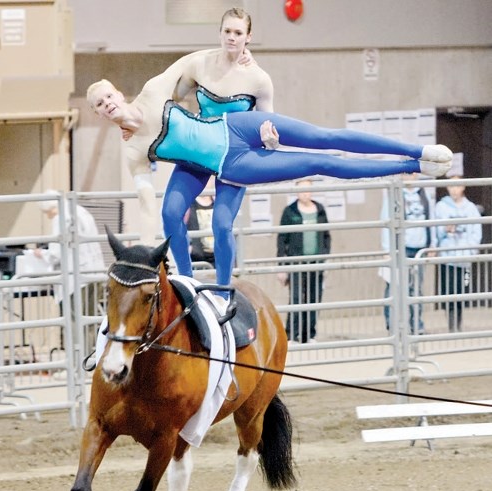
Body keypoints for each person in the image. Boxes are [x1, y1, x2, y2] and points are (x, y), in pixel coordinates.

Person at [87, 75, 453, 299]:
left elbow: (196, 62)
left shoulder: (153, 91)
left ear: (118, 93)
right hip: (227, 165)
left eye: (108, 97)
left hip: (238, 126)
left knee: (324, 138)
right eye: (100, 105)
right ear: (99, 113)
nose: (108, 105)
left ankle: (416, 151)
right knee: (316, 163)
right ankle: (191, 282)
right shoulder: (133, 148)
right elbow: (148, 200)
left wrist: (234, 50)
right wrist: (147, 245)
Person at [163, 8, 275, 292]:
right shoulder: (200, 64)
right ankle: (186, 281)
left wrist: (269, 140)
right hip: (199, 150)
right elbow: (171, 96)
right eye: (227, 31)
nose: (232, 38)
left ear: (248, 37)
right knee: (170, 213)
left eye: (238, 33)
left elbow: (271, 131)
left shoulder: (259, 79)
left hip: (234, 157)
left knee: (222, 224)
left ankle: (224, 289)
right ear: (220, 32)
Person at [35, 197, 105, 353]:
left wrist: (41, 254)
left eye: (47, 213)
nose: (48, 217)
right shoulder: (82, 212)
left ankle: (75, 365)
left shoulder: (60, 217)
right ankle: (88, 361)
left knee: (73, 321)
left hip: (75, 278)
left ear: (51, 208)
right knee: (90, 321)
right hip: (95, 272)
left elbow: (56, 253)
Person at [380, 172, 436, 334]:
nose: (409, 176)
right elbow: (386, 221)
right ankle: (393, 326)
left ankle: (416, 325)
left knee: (416, 289)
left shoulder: (425, 195)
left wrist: (432, 244)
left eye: (412, 173)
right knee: (394, 287)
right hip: (400, 249)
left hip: (420, 249)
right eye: (406, 173)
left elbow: (432, 220)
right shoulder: (393, 195)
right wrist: (386, 249)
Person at [277, 180, 331, 343]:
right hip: (296, 262)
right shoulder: (289, 211)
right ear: (296, 191)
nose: (305, 193)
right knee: (296, 298)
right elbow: (282, 239)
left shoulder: (320, 210)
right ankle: (291, 334)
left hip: (316, 262)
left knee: (314, 298)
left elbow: (326, 236)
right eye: (301, 190)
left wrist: (324, 256)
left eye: (308, 190)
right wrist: (282, 266)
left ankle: (309, 334)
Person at [435, 176, 482, 332]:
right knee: (448, 291)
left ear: (463, 187)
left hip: (464, 256)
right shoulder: (441, 207)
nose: (454, 189)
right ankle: (451, 324)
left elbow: (476, 231)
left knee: (461, 291)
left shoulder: (470, 208)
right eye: (451, 186)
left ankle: (459, 323)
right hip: (447, 256)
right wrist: (443, 231)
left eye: (457, 186)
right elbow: (435, 229)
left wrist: (471, 250)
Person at [185, 194, 216, 267]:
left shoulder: (218, 201)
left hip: (219, 256)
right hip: (197, 257)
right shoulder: (188, 202)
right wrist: (189, 248)